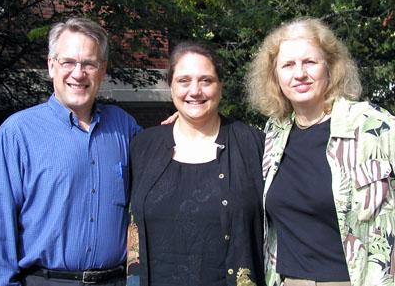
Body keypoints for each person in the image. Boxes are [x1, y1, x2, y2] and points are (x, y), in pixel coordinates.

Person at [246, 17, 395, 286]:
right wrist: (187, 122)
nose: (299, 74)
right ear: (275, 76)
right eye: (288, 65)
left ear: (331, 68)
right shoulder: (274, 133)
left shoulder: (373, 127)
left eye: (310, 63)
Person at [0, 17, 142, 285]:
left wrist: (185, 123)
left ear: (102, 70)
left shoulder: (125, 127)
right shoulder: (17, 133)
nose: (78, 73)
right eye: (68, 63)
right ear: (51, 66)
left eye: (89, 63)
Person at [126, 41, 265, 286]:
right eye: (184, 81)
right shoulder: (142, 147)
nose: (195, 90)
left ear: (220, 86)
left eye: (206, 80)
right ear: (170, 86)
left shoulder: (254, 146)